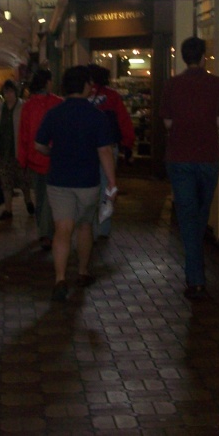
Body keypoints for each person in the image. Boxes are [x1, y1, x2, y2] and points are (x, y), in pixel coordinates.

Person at [35, 66, 117, 301]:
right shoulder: (96, 116)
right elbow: (105, 151)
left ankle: (60, 278)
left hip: (58, 180)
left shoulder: (54, 113)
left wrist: (52, 152)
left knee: (62, 229)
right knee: (83, 227)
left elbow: (38, 145)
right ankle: (82, 271)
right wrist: (112, 182)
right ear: (84, 87)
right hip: (87, 182)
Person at [160, 36, 219, 301]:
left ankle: (196, 278)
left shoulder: (172, 85)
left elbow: (167, 123)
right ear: (203, 57)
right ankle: (196, 274)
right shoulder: (216, 84)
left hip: (179, 157)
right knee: (200, 214)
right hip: (209, 157)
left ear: (183, 57)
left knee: (188, 216)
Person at [86, 64, 134, 239]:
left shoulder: (84, 96)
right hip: (109, 146)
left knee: (89, 186)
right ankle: (103, 228)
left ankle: (88, 226)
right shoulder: (112, 97)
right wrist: (127, 144)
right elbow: (123, 121)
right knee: (107, 185)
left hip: (87, 148)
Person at [18, 70, 62, 249]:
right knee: (50, 197)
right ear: (47, 83)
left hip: (34, 158)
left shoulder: (28, 106)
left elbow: (23, 134)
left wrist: (22, 160)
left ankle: (43, 230)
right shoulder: (57, 103)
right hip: (53, 157)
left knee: (41, 194)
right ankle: (46, 232)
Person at [0, 79, 30, 221]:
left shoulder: (23, 107)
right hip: (3, 151)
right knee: (6, 182)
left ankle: (28, 201)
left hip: (19, 150)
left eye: (11, 91)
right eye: (6, 92)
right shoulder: (0, 108)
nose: (8, 95)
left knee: (24, 180)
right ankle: (8, 209)